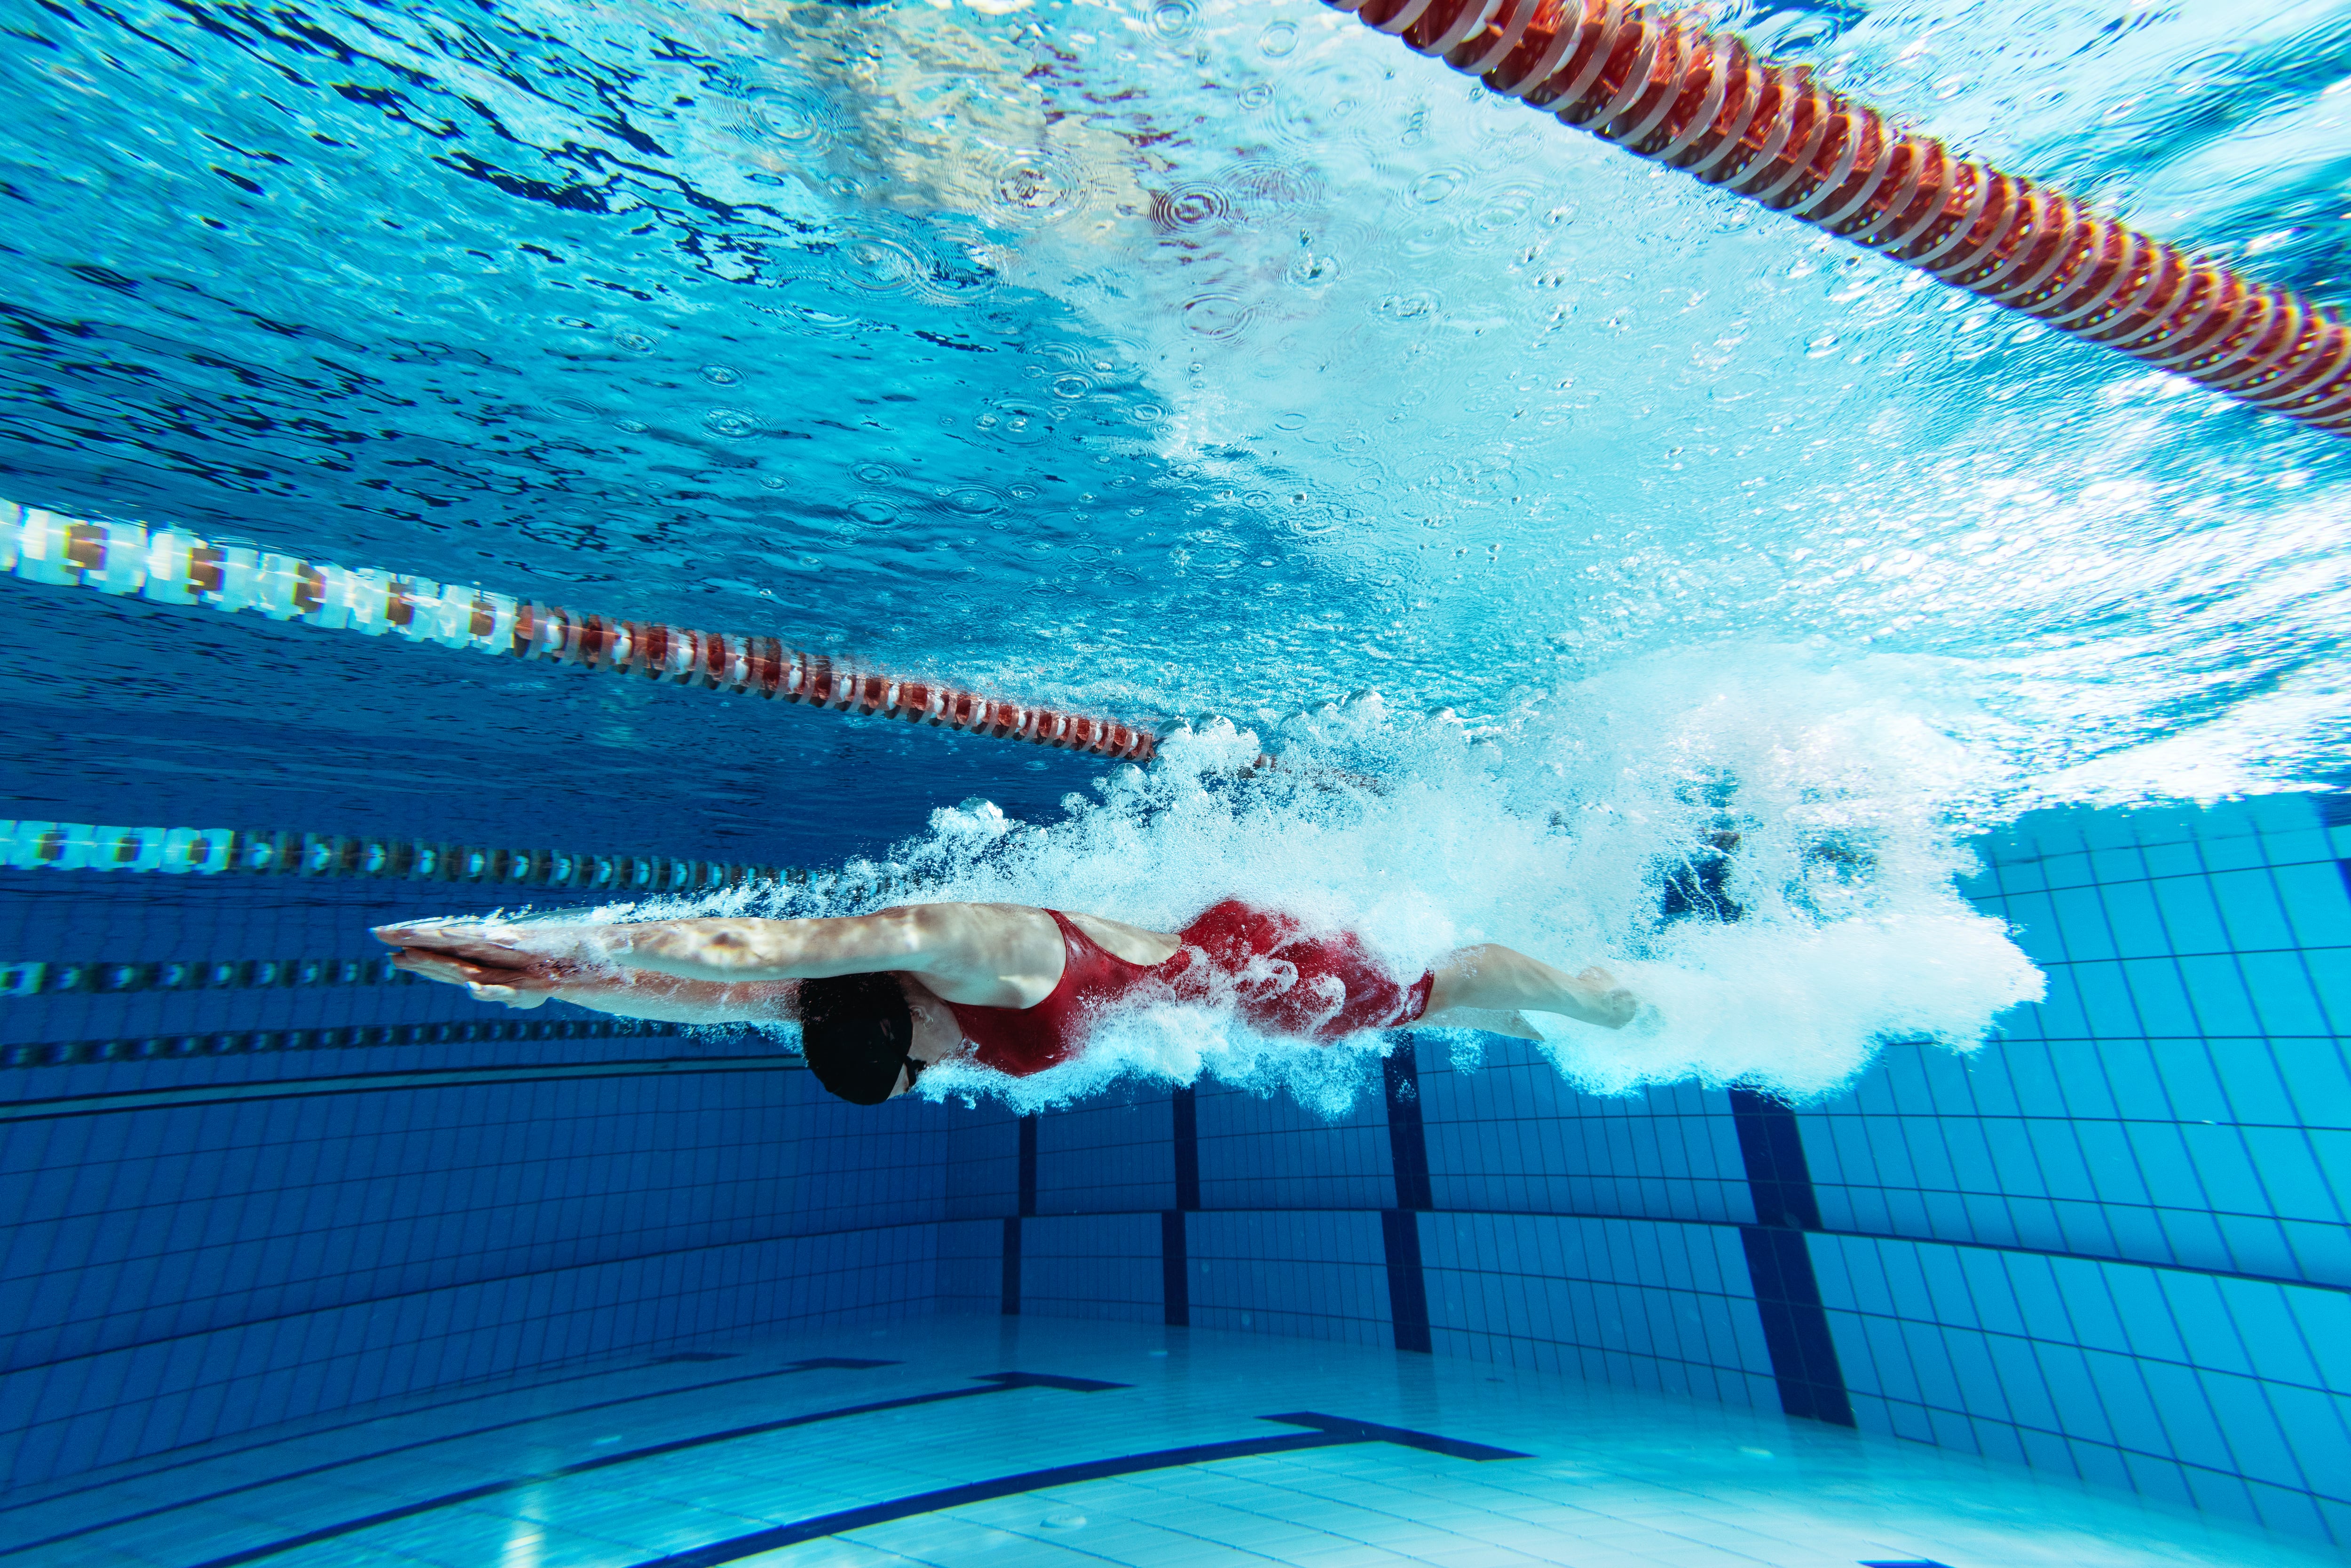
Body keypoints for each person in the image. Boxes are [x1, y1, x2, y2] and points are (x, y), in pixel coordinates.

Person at [377, 899, 1638, 1105]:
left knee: (1433, 989)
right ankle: (1536, 1003)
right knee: (1439, 1010)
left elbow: (729, 945)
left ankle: (1599, 998)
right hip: (1223, 999)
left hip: (1258, 971)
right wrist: (546, 986)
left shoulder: (975, 954)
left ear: (911, 1020)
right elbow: (691, 999)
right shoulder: (850, 1009)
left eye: (922, 1066)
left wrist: (552, 937)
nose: (940, 1075)